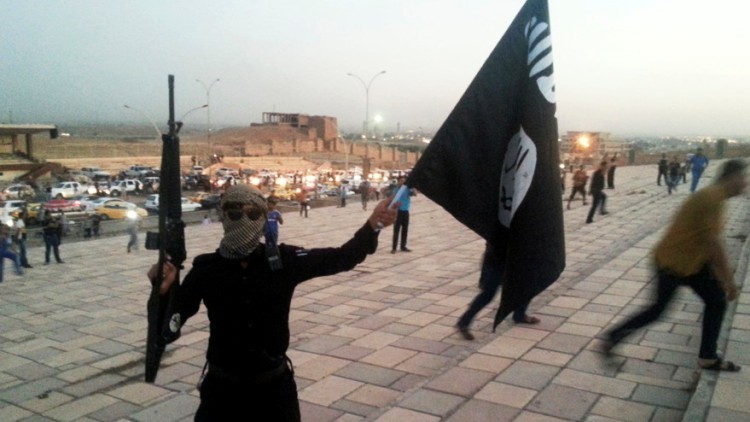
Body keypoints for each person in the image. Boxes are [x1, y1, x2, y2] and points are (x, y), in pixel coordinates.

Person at [146, 184, 398, 420]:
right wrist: (162, 293)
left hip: (274, 391)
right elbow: (168, 327)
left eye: (253, 213)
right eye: (235, 213)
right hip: (223, 393)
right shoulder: (207, 269)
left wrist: (373, 225)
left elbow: (342, 257)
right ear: (223, 216)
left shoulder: (282, 261)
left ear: (263, 217)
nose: (244, 219)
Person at [603, 159, 747, 372]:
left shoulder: (714, 196)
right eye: (743, 177)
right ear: (731, 177)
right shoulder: (712, 198)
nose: (745, 183)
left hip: (688, 262)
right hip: (674, 263)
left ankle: (708, 356)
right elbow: (714, 244)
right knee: (660, 310)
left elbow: (707, 241)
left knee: (714, 301)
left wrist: (718, 275)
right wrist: (729, 282)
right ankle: (613, 336)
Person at [456, 243, 540, 340]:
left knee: (525, 285)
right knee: (488, 294)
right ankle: (464, 322)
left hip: (514, 259)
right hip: (497, 260)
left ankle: (519, 315)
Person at [391, 176, 416, 253]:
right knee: (396, 230)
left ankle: (403, 246)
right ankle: (394, 248)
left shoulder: (407, 189)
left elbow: (415, 194)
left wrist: (412, 186)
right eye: (401, 180)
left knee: (405, 230)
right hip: (397, 212)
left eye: (404, 181)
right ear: (398, 181)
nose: (403, 182)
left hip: (405, 212)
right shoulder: (396, 190)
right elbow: (393, 199)